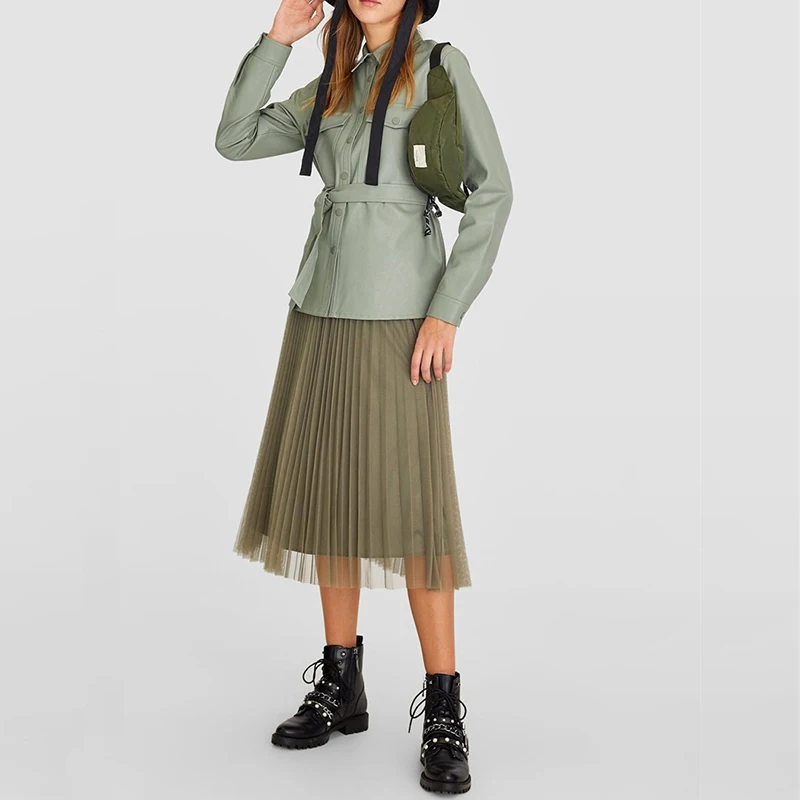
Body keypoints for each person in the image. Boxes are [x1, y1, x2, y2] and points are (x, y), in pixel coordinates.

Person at [214, 0, 513, 793]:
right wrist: (278, 40)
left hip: (403, 312)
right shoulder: (334, 82)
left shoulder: (441, 67)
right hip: (320, 306)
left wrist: (447, 311)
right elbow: (234, 138)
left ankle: (443, 707)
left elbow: (493, 192)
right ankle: (341, 680)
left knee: (417, 513)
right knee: (331, 495)